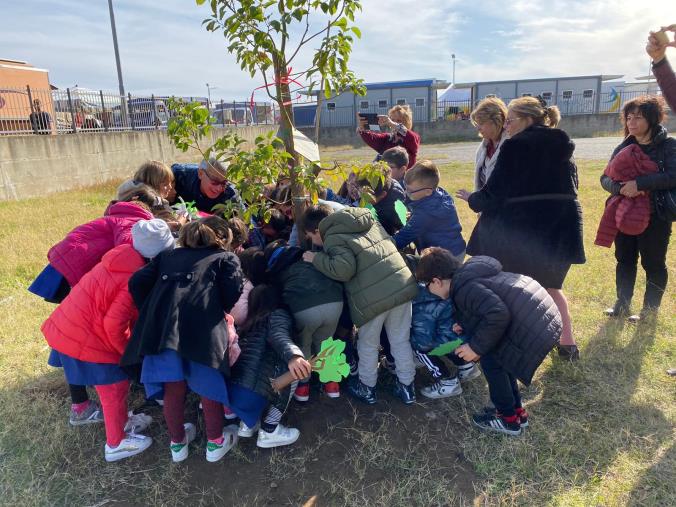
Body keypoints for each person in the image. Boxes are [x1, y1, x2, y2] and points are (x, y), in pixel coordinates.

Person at [41, 219, 175, 461]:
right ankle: (116, 443)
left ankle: (123, 422)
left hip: (76, 325)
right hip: (87, 335)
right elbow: (114, 324)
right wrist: (126, 354)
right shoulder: (132, 279)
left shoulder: (122, 255)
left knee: (116, 387)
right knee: (112, 387)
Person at [465, 96, 585, 361]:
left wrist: (473, 199)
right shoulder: (561, 143)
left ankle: (516, 340)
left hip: (530, 228)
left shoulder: (516, 147)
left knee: (515, 285)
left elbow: (495, 191)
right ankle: (567, 344)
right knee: (552, 287)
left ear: (528, 119)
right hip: (562, 226)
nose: (507, 126)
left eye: (511, 120)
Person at [121, 216, 243, 463]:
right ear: (221, 238)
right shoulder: (225, 258)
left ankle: (177, 445)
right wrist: (217, 307)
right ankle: (215, 443)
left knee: (172, 388)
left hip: (165, 331)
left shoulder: (166, 257)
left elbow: (136, 281)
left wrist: (154, 307)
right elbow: (234, 288)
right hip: (204, 331)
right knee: (209, 388)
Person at [301, 205, 419, 405]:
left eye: (311, 238)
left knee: (368, 344)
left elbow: (344, 269)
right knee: (400, 339)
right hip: (401, 285)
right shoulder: (369, 222)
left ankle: (367, 387)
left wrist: (316, 258)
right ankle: (407, 387)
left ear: (316, 231)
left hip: (372, 298)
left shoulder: (333, 237)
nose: (315, 244)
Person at [449, 255, 562, 436]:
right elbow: (483, 308)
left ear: (437, 281)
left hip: (532, 325)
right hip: (537, 319)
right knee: (503, 363)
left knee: (492, 364)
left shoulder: (463, 288)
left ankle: (508, 420)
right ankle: (517, 412)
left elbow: (497, 314)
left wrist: (475, 348)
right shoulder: (470, 276)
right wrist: (464, 323)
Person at [600, 95, 675, 321]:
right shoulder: (624, 146)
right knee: (624, 260)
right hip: (624, 214)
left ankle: (649, 311)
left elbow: (673, 175)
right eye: (628, 117)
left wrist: (640, 184)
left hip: (655, 215)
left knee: (653, 263)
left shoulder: (669, 146)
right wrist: (618, 188)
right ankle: (621, 305)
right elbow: (604, 177)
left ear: (652, 119)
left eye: (638, 117)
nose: (631, 122)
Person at [228, 284, 312, 448]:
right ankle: (269, 430)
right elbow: (279, 336)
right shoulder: (278, 314)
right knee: (294, 374)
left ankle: (247, 424)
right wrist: (294, 356)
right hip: (251, 396)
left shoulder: (248, 324)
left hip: (234, 395)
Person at [264, 240, 344, 401]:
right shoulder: (312, 261)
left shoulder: (282, 273)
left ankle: (302, 388)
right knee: (327, 343)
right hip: (335, 303)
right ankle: (332, 385)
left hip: (304, 309)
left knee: (303, 345)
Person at [412, 248, 481, 399]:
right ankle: (466, 367)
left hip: (449, 343)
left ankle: (447, 382)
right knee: (449, 338)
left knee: (420, 348)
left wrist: (415, 346)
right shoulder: (461, 286)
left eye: (427, 283)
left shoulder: (426, 302)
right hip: (465, 341)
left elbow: (423, 340)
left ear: (436, 281)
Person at [392, 160, 466, 260]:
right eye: (405, 187)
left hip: (446, 257)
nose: (405, 192)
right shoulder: (437, 193)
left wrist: (385, 244)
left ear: (427, 191)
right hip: (456, 247)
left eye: (410, 191)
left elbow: (404, 237)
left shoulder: (426, 213)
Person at [456, 97, 510, 202]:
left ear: (496, 121)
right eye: (477, 124)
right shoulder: (482, 148)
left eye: (481, 123)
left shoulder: (510, 146)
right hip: (488, 213)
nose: (478, 128)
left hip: (505, 214)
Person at [170, 158, 241, 213]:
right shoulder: (179, 175)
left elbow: (248, 224)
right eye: (215, 181)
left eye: (224, 183)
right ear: (200, 174)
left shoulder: (231, 193)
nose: (219, 188)